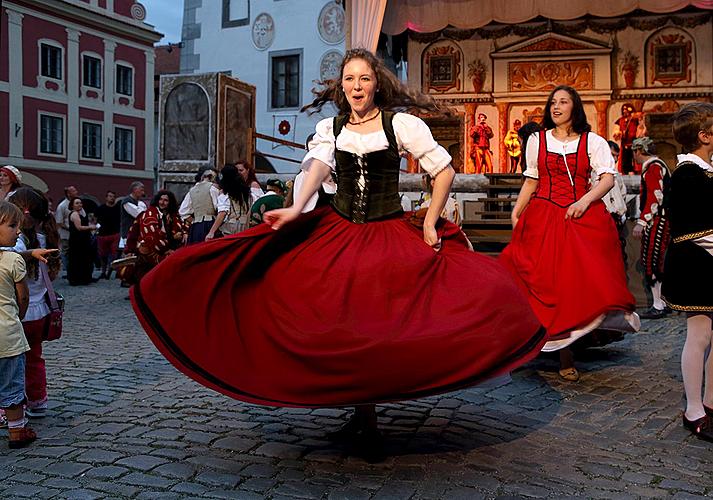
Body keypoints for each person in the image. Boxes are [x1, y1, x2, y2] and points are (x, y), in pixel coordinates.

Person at [130, 48, 545, 462]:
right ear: (341, 85)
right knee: (332, 317)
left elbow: (444, 170)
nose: (356, 86)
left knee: (394, 319)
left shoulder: (400, 124)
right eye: (349, 79)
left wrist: (431, 221)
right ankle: (363, 412)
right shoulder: (332, 128)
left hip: (387, 232)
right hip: (342, 231)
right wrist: (295, 208)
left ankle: (371, 409)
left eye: (363, 78)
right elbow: (316, 168)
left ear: (375, 83)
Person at [500, 85, 639, 382]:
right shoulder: (537, 140)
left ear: (575, 108)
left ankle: (566, 353)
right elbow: (531, 180)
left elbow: (606, 179)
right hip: (543, 215)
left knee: (571, 284)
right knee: (535, 282)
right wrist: (516, 210)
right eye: (553, 102)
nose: (556, 106)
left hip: (578, 214)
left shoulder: (593, 142)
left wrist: (584, 201)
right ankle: (526, 346)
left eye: (563, 102)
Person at [661, 102, 713, 442]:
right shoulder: (686, 175)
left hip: (709, 262)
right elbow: (694, 227)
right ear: (705, 136)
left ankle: (710, 401)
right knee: (700, 335)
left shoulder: (707, 172)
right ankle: (693, 407)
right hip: (696, 264)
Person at [9, 188, 61, 418]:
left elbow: (13, 256)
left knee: (9, 362)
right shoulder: (45, 238)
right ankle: (38, 400)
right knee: (34, 358)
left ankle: (9, 405)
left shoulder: (17, 242)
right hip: (40, 311)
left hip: (18, 311)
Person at [0, 201, 35, 448]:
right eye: (13, 226)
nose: (18, 232)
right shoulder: (13, 260)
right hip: (9, 334)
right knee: (12, 384)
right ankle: (16, 432)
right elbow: (22, 296)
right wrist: (20, 315)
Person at [631, 137, 671, 320]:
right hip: (659, 219)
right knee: (655, 259)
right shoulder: (655, 166)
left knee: (652, 259)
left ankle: (658, 304)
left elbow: (655, 197)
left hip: (657, 220)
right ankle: (661, 302)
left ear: (639, 151)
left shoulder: (653, 167)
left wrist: (642, 221)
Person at [123, 190, 184, 283]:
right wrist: (129, 250)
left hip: (165, 249)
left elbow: (179, 229)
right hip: (149, 250)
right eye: (161, 199)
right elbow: (145, 235)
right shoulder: (148, 214)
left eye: (166, 200)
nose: (162, 202)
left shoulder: (173, 216)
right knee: (143, 275)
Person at [595, 141, 629, 266]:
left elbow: (622, 194)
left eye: (616, 156)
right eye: (612, 155)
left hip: (617, 220)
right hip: (601, 221)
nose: (614, 159)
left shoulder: (617, 175)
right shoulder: (593, 174)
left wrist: (621, 211)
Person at [206, 164, 253, 238]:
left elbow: (222, 213)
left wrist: (211, 232)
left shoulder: (225, 194)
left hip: (231, 227)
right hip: (246, 227)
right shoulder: (247, 192)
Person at [179, 168, 219, 244]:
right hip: (211, 224)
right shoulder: (213, 188)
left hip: (196, 226)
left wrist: (195, 220)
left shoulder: (192, 190)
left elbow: (183, 211)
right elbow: (219, 208)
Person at [54, 185, 84, 273]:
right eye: (74, 191)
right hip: (66, 234)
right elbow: (59, 222)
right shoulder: (62, 206)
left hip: (77, 234)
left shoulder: (78, 204)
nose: (76, 192)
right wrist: (71, 228)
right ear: (68, 193)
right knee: (66, 252)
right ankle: (67, 270)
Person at [68, 197, 97, 285]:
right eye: (77, 203)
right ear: (72, 205)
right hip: (77, 241)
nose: (79, 204)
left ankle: (85, 277)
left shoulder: (81, 213)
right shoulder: (74, 214)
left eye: (80, 203)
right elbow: (79, 227)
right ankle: (76, 279)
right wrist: (91, 227)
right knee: (77, 259)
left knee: (84, 259)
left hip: (83, 240)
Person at [95, 191, 121, 279]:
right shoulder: (101, 208)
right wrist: (97, 227)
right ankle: (103, 271)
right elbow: (95, 218)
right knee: (103, 255)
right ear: (106, 197)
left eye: (113, 196)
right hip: (102, 234)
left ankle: (116, 271)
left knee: (115, 254)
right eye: (110, 196)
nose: (112, 198)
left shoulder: (118, 208)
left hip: (114, 234)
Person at [119, 181, 146, 253]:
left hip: (137, 235)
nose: (143, 193)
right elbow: (139, 215)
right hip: (128, 234)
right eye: (141, 190)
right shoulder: (127, 201)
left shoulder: (139, 202)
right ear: (135, 190)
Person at [614, 103, 639, 174]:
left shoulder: (635, 120)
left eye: (626, 109)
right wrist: (618, 133)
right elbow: (616, 131)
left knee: (634, 159)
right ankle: (625, 171)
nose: (625, 111)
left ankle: (633, 171)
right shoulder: (620, 120)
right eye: (623, 110)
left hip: (634, 143)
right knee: (624, 159)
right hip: (624, 144)